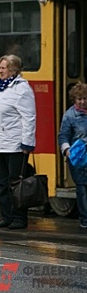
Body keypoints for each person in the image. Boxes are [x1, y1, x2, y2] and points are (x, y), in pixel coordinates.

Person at [0, 54, 36, 230]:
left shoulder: (22, 89)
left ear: (13, 69)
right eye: (0, 67)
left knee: (16, 183)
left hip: (15, 145)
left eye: (3, 67)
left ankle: (19, 218)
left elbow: (29, 118)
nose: (0, 70)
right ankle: (6, 216)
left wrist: (27, 143)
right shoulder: (0, 87)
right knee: (1, 183)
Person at [58, 82, 87, 229]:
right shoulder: (70, 115)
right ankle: (85, 219)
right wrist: (67, 150)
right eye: (79, 99)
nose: (82, 102)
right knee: (82, 187)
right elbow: (63, 136)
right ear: (74, 100)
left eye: (85, 98)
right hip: (80, 156)